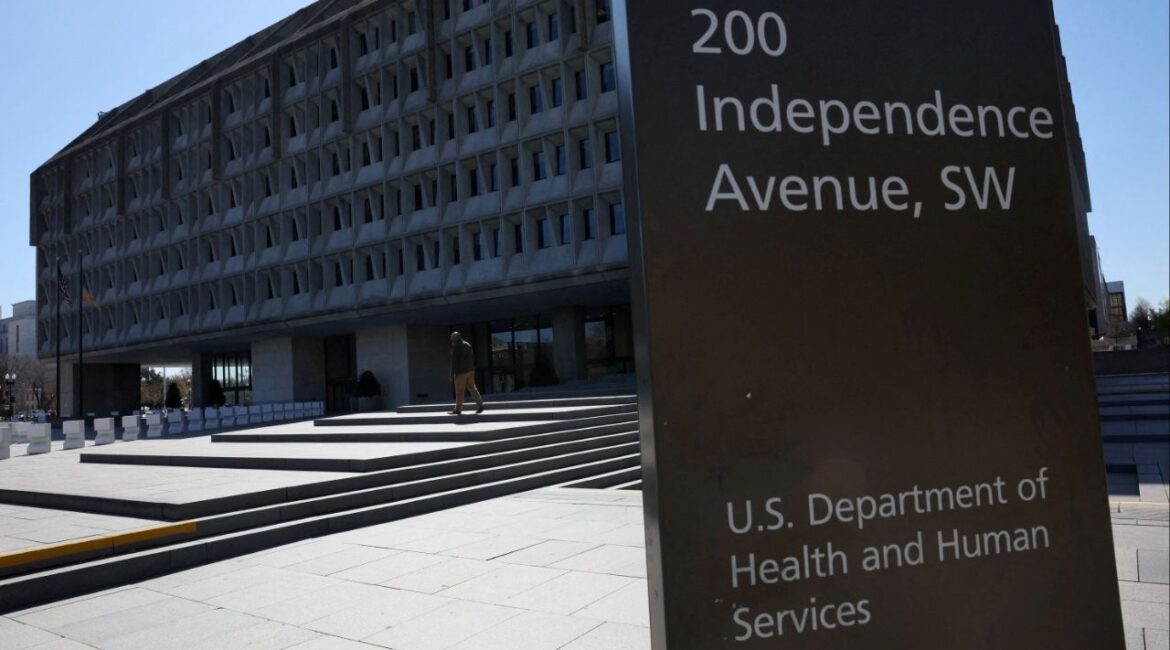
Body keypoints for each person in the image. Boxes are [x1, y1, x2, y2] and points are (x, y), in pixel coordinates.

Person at [449, 331, 484, 415]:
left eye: (452, 338)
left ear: (454, 339)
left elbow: (454, 362)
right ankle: (480, 405)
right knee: (473, 388)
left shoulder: (456, 347)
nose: (451, 340)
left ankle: (458, 409)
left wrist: (451, 373)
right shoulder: (468, 344)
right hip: (470, 371)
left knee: (459, 391)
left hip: (460, 372)